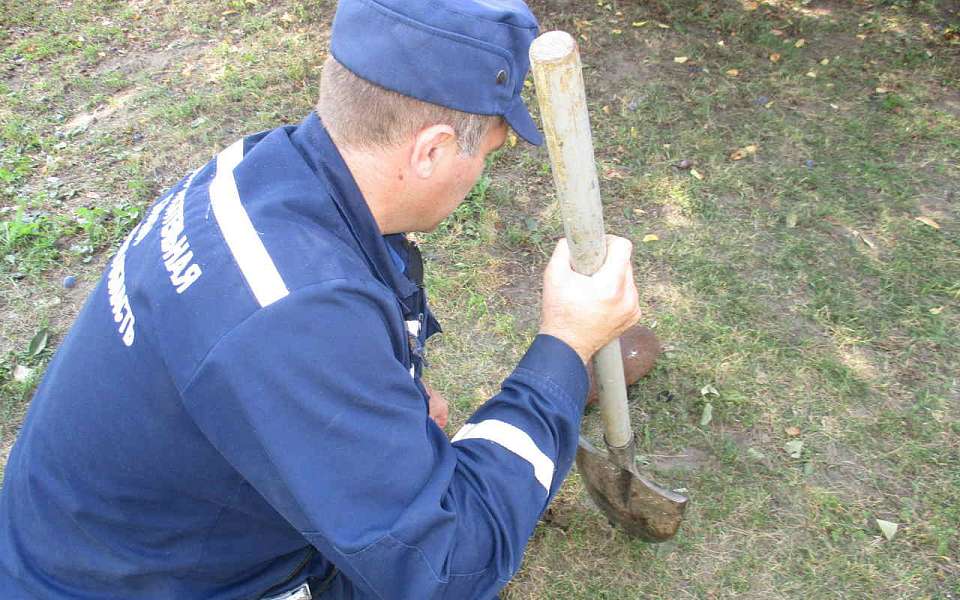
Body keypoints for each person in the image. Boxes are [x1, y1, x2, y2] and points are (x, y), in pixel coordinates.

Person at [0, 0, 641, 598]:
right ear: (434, 150)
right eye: (491, 150)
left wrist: (383, 397)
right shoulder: (293, 317)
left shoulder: (262, 170)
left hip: (105, 538)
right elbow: (443, 569)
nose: (481, 173)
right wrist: (564, 349)